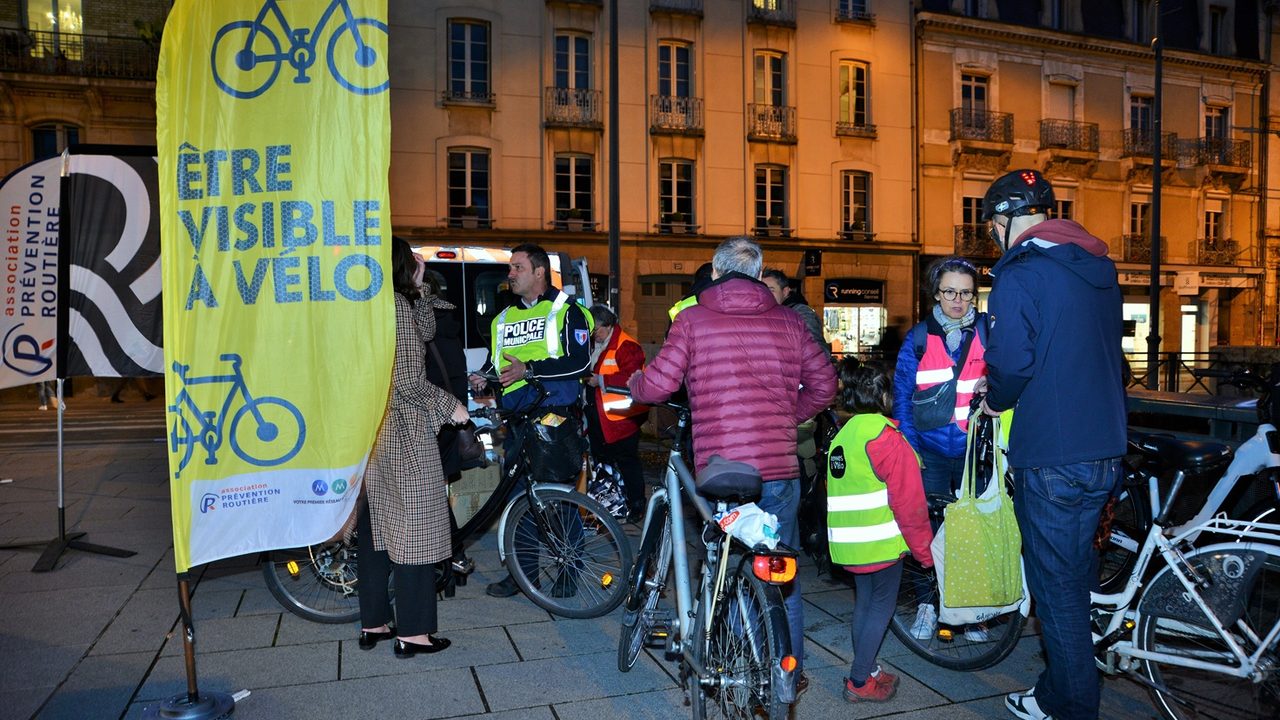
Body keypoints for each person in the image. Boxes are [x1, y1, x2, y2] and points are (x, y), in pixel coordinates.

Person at [629, 236, 837, 695]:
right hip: (778, 469)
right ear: (759, 274)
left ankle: (730, 660)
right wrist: (787, 416)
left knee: (721, 558)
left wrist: (635, 382)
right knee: (780, 568)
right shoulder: (789, 322)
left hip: (722, 468)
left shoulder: (692, 319)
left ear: (718, 273)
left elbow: (660, 385)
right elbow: (825, 386)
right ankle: (787, 673)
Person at [978, 169, 1126, 720]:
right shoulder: (1099, 268)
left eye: (994, 223)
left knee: (1056, 589)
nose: (994, 233)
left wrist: (994, 402)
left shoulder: (1021, 274)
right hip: (1106, 447)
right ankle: (1053, 690)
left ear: (1007, 220)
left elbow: (1012, 363)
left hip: (1055, 457)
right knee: (1073, 579)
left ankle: (1073, 706)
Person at [356, 237, 469, 658]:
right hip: (403, 432)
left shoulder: (372, 307)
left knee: (377, 529)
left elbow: (423, 332)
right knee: (417, 529)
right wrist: (450, 405)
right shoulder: (396, 309)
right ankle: (414, 633)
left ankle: (374, 623)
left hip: (373, 430)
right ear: (403, 265)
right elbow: (407, 380)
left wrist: (418, 288)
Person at [469, 243, 592, 599]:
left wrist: (531, 370)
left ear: (539, 272)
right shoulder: (502, 319)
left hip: (553, 417)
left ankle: (569, 569)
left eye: (518, 268)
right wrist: (485, 377)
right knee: (519, 498)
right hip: (517, 419)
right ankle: (524, 574)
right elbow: (499, 365)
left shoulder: (568, 312)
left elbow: (582, 364)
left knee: (557, 496)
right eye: (511, 268)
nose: (511, 274)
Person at [891, 255, 988, 641]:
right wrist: (911, 448)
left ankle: (970, 611)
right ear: (936, 293)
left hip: (973, 450)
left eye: (966, 293)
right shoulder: (918, 338)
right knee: (927, 532)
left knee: (972, 531)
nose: (958, 300)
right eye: (950, 291)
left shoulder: (989, 333)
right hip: (929, 451)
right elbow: (902, 396)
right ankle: (929, 605)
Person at [827, 359, 932, 703]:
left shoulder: (844, 435)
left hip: (850, 545)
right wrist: (924, 551)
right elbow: (910, 503)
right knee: (880, 608)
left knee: (865, 604)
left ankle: (867, 667)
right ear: (884, 396)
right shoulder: (886, 438)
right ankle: (859, 680)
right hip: (881, 544)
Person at [419, 271, 476, 589]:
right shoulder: (448, 324)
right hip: (448, 421)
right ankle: (453, 558)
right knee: (434, 494)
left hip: (430, 422)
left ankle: (450, 556)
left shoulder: (423, 326)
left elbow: (420, 380)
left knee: (426, 496)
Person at [586, 304, 649, 523]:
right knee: (605, 463)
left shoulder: (626, 345)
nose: (594, 335)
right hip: (602, 417)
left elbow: (633, 377)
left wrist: (600, 380)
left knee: (627, 462)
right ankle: (612, 504)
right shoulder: (601, 343)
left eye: (597, 330)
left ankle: (636, 505)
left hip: (620, 418)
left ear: (609, 325)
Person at [762, 268, 831, 360]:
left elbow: (817, 352)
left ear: (785, 291)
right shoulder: (771, 312)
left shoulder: (801, 313)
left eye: (771, 290)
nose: (766, 294)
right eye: (763, 290)